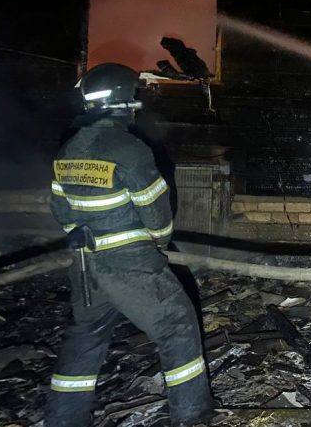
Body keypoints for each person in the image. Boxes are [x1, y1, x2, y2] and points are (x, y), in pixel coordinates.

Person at [45, 63, 214, 427]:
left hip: (86, 264)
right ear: (123, 100)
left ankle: (62, 420)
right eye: (135, 93)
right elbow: (156, 211)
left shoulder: (69, 149)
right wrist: (158, 243)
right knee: (176, 324)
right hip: (130, 263)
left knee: (85, 337)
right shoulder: (129, 149)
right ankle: (192, 417)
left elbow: (61, 210)